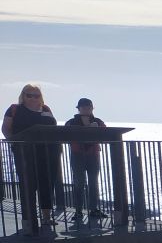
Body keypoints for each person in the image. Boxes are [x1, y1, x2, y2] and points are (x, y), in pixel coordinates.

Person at [1, 84, 59, 229]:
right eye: (29, 95)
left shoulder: (46, 109)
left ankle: (46, 217)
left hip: (48, 151)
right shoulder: (15, 109)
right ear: (23, 95)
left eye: (36, 95)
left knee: (47, 182)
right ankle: (29, 218)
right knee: (29, 183)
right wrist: (14, 143)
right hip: (25, 152)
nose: (33, 98)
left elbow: (54, 127)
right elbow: (6, 128)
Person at [64, 98, 108, 222]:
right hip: (77, 155)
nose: (86, 109)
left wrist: (97, 128)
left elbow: (106, 134)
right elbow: (65, 134)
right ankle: (78, 211)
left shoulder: (98, 121)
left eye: (88, 107)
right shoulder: (71, 122)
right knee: (79, 183)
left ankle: (93, 209)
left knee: (94, 182)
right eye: (83, 107)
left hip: (93, 155)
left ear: (92, 108)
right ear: (78, 108)